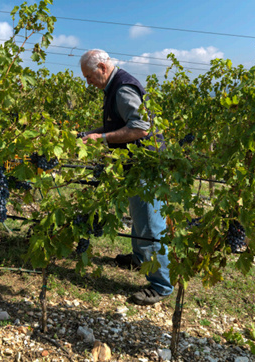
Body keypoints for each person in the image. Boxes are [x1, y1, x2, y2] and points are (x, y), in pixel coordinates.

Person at [80, 49, 173, 305]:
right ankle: (139, 259)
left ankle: (161, 286)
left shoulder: (121, 89)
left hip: (147, 165)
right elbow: (116, 125)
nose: (87, 82)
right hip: (135, 164)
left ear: (101, 67)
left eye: (88, 76)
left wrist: (103, 138)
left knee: (151, 225)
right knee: (139, 215)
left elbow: (140, 129)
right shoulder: (113, 87)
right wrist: (92, 133)